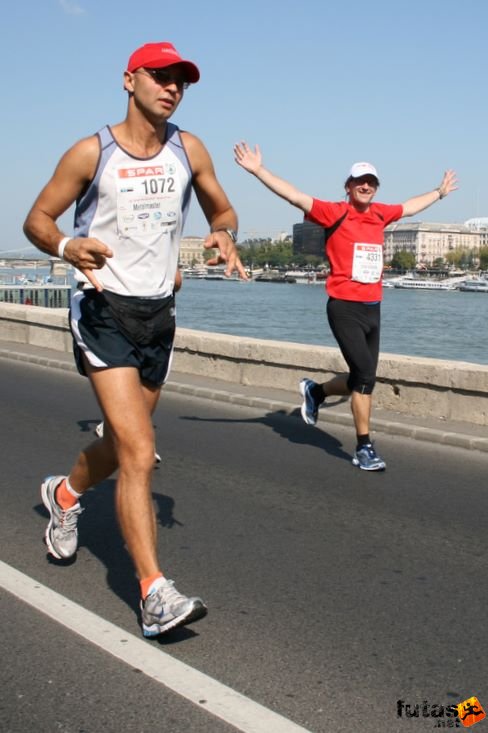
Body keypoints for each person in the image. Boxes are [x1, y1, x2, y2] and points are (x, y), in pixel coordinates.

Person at [23, 41, 247, 638]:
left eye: (181, 80)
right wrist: (68, 246)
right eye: (160, 76)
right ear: (130, 80)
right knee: (140, 451)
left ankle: (65, 494)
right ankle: (154, 593)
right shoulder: (90, 153)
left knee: (126, 444)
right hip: (101, 308)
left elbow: (222, 209)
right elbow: (37, 220)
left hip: (158, 315)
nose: (172, 87)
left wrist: (223, 234)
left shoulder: (187, 148)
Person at [234, 142, 457, 471]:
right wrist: (258, 171)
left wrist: (438, 192)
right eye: (359, 181)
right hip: (344, 307)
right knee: (366, 377)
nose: (365, 186)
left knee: (360, 376)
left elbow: (410, 207)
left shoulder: (381, 213)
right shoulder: (334, 212)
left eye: (371, 182)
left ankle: (316, 392)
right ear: (348, 186)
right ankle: (364, 447)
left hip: (373, 309)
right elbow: (294, 196)